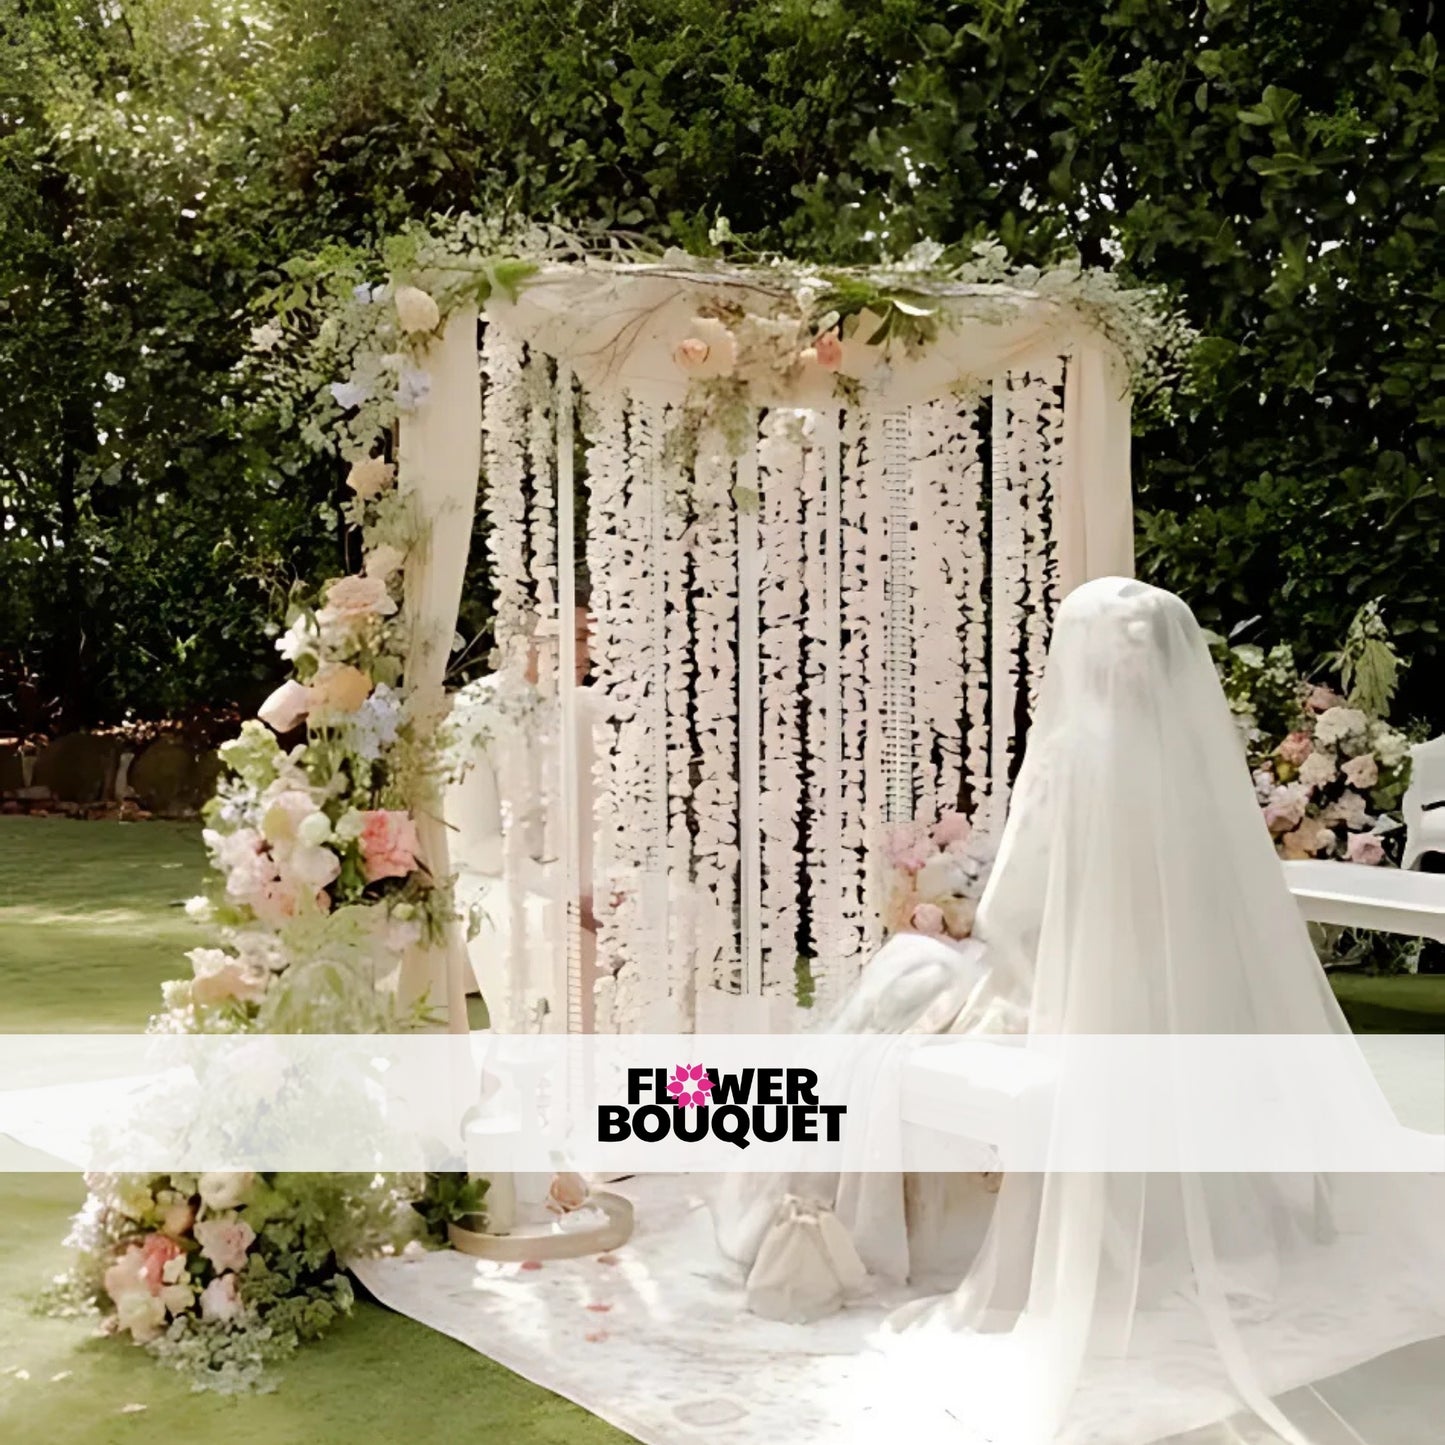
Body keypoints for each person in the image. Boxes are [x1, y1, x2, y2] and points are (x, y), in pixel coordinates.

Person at [878, 577, 1445, 1445]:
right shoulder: (1190, 756)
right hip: (1193, 1002)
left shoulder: (1069, 751)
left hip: (1077, 1001)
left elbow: (1010, 910)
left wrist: (973, 935)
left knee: (909, 984)